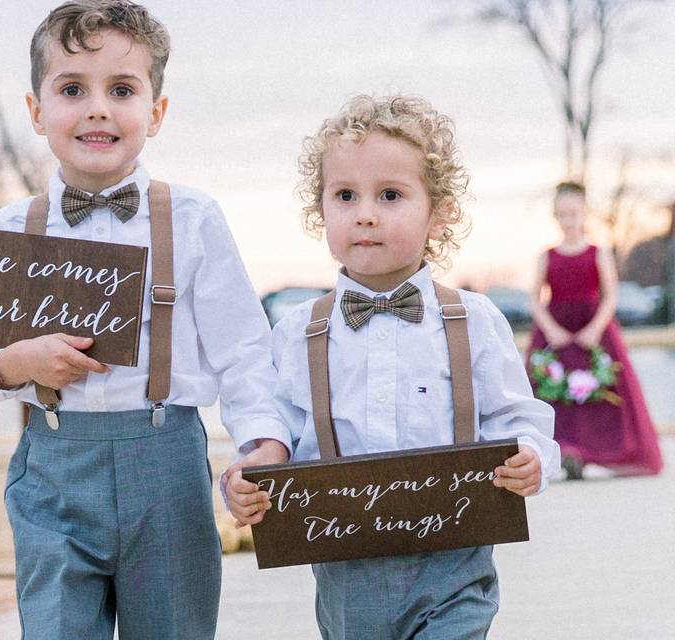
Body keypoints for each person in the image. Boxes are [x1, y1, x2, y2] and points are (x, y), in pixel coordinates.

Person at [0, 2, 291, 638]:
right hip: (51, 467)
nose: (97, 108)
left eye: (123, 90)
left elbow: (245, 351)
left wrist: (264, 443)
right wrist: (19, 362)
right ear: (36, 110)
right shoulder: (7, 229)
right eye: (72, 89)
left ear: (156, 113)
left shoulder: (193, 219)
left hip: (167, 466)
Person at [225, 95, 560, 639]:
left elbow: (518, 415)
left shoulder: (473, 321)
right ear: (321, 210)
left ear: (439, 211)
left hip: (452, 565)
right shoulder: (294, 333)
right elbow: (270, 425)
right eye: (345, 196)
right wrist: (253, 472)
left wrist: (529, 456)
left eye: (390, 195)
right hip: (342, 566)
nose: (365, 213)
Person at [528, 181, 664, 479]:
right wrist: (550, 330)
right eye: (562, 214)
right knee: (555, 394)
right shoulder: (546, 256)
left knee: (602, 394)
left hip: (593, 330)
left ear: (583, 213)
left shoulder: (597, 252)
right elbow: (535, 300)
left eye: (573, 213)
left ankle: (598, 453)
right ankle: (566, 454)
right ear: (555, 215)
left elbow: (610, 296)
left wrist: (595, 329)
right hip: (557, 331)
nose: (568, 220)